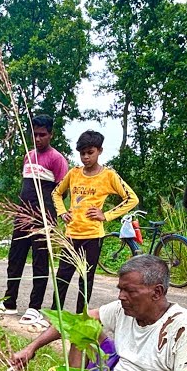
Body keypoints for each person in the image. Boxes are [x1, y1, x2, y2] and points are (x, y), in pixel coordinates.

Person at [10, 255, 187, 371]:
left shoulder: (182, 327)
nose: (121, 296)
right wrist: (31, 348)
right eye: (120, 289)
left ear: (156, 292)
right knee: (84, 330)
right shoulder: (122, 309)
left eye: (129, 291)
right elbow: (73, 323)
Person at [52, 130, 139, 313]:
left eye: (90, 153)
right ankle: (55, 314)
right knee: (62, 277)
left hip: (92, 236)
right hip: (71, 234)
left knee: (86, 278)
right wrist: (61, 212)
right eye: (82, 153)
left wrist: (106, 215)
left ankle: (80, 317)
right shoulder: (74, 173)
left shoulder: (108, 175)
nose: (85, 157)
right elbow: (56, 193)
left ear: (99, 151)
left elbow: (132, 199)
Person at [0, 115, 69, 327]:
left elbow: (61, 191)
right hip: (22, 217)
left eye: (42, 135)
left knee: (40, 262)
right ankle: (9, 303)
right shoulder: (28, 156)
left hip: (43, 219)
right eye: (34, 134)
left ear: (51, 135)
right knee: (15, 259)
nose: (38, 139)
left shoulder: (57, 159)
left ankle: (34, 308)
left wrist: (51, 215)